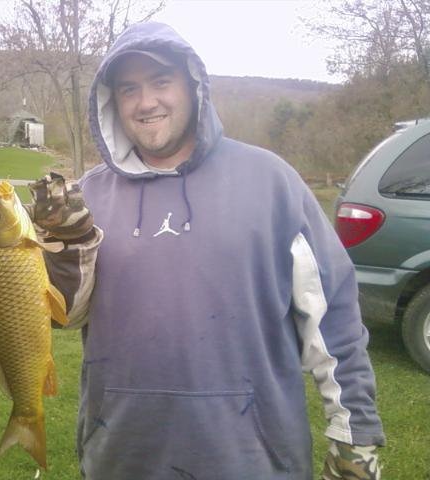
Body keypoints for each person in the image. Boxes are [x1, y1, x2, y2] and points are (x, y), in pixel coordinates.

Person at [28, 21, 385, 480]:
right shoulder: (87, 199)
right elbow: (66, 316)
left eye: (161, 81)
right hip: (121, 457)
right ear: (111, 103)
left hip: (252, 460)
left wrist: (354, 435)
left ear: (193, 86)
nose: (146, 102)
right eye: (128, 89)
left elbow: (332, 316)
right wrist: (66, 245)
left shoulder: (271, 182)